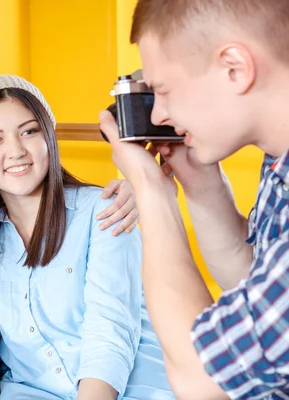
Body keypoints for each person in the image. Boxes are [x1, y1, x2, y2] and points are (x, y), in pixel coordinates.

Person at [0, 75, 174, 400]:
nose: (16, 150)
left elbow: (109, 327)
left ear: (49, 137)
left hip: (132, 388)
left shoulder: (105, 211)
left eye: (29, 131)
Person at [99, 0, 289, 399]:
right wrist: (197, 179)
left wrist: (151, 192)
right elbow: (248, 281)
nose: (160, 114)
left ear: (234, 68)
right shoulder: (279, 163)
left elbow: (203, 381)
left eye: (163, 90)